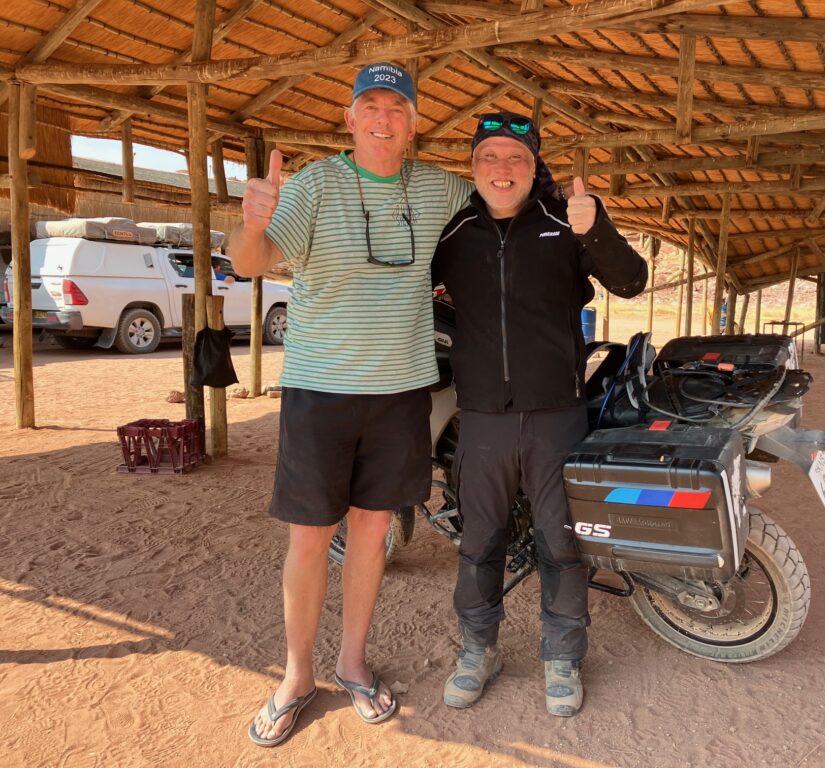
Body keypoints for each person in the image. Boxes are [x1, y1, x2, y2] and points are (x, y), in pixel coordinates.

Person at [229, 62, 472, 747]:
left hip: (400, 392)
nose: (382, 119)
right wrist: (251, 223)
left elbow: (497, 198)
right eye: (371, 106)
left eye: (397, 108)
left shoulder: (439, 189)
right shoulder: (313, 186)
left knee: (372, 534)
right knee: (310, 538)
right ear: (350, 118)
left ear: (414, 123)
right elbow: (248, 261)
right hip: (321, 390)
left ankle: (353, 662)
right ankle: (296, 675)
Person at [431, 112, 647, 716]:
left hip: (556, 416)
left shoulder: (564, 222)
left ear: (533, 168)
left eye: (516, 158)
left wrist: (596, 228)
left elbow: (632, 281)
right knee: (480, 541)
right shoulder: (453, 232)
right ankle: (478, 651)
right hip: (483, 418)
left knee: (561, 541)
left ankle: (563, 656)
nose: (502, 169)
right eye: (490, 157)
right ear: (473, 167)